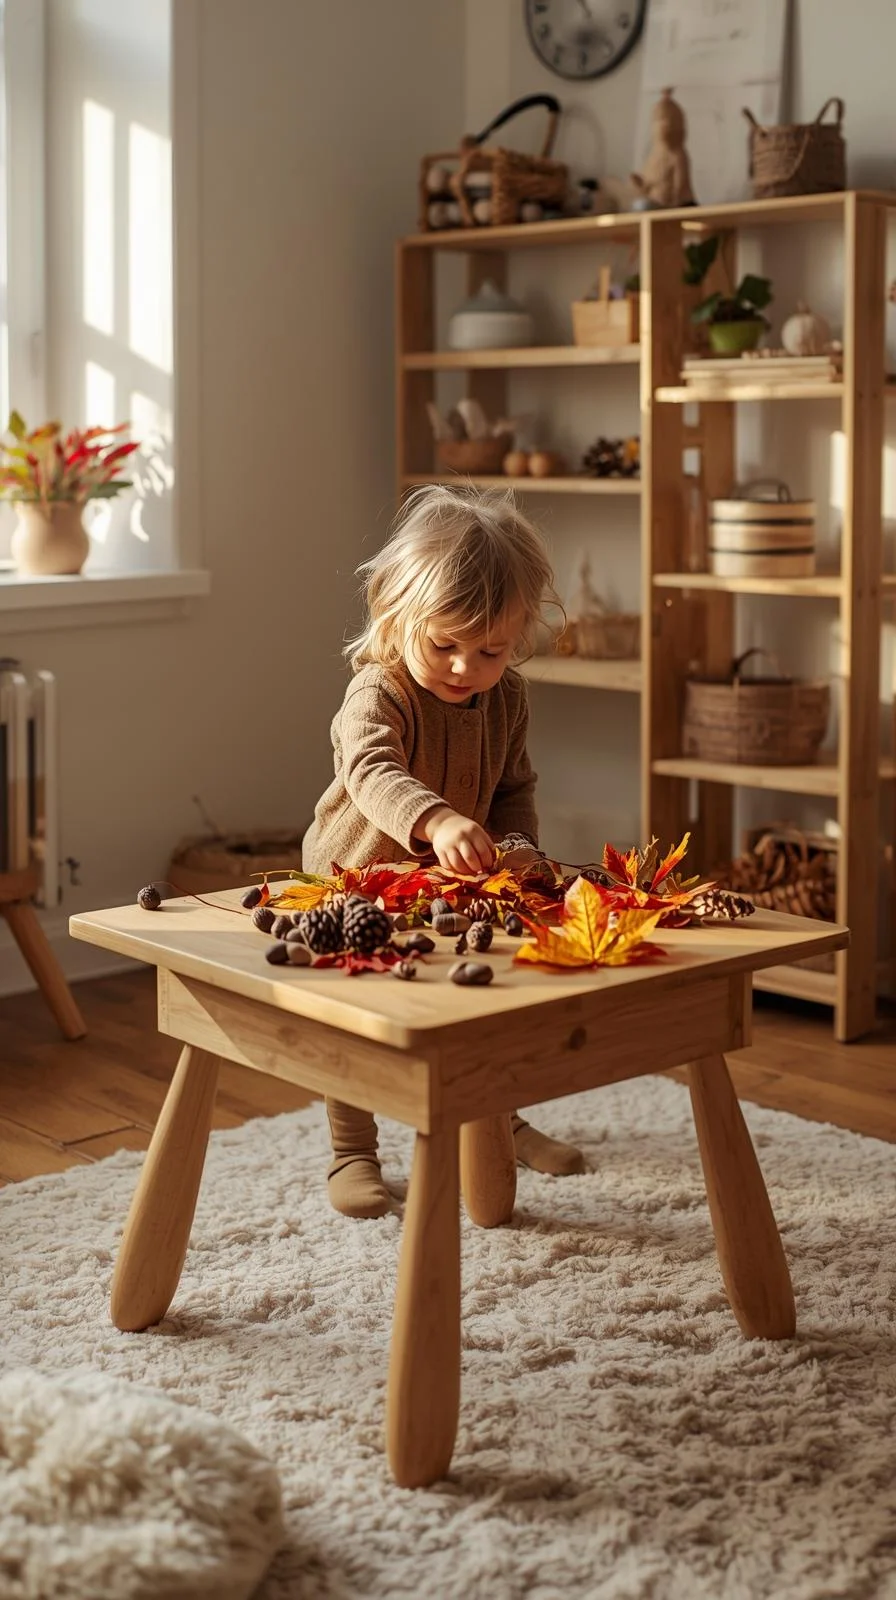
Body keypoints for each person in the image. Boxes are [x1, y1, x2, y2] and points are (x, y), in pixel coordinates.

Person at [303, 483, 585, 1218]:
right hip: (354, 883)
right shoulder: (380, 689)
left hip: (455, 885)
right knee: (352, 1015)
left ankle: (505, 1123)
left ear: (520, 633)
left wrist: (518, 845)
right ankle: (351, 1150)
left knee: (488, 1000)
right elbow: (370, 770)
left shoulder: (508, 698)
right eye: (445, 645)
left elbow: (515, 787)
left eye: (490, 649)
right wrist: (434, 820)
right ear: (399, 617)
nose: (464, 667)